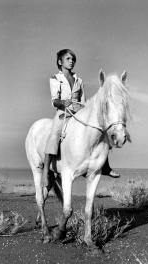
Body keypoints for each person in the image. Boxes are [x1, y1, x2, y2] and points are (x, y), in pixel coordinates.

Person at [42, 49, 120, 187]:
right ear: (60, 62)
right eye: (68, 59)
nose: (71, 61)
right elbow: (54, 100)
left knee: (101, 131)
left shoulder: (79, 80)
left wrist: (86, 111)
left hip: (79, 113)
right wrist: (63, 103)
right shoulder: (55, 79)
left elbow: (83, 101)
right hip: (63, 113)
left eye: (73, 59)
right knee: (55, 134)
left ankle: (105, 166)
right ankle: (45, 171)